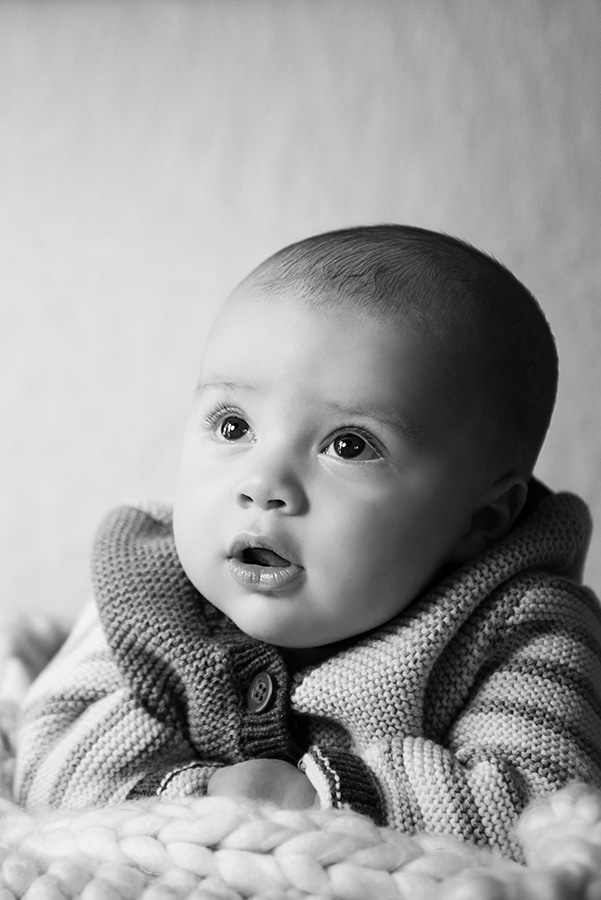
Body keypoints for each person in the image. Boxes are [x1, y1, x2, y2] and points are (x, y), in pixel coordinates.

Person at [14, 225, 601, 860]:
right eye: (234, 425)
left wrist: (314, 800)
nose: (263, 484)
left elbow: (543, 809)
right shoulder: (148, 589)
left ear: (478, 521)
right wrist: (194, 791)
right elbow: (49, 764)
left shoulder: (518, 626)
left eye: (348, 445)